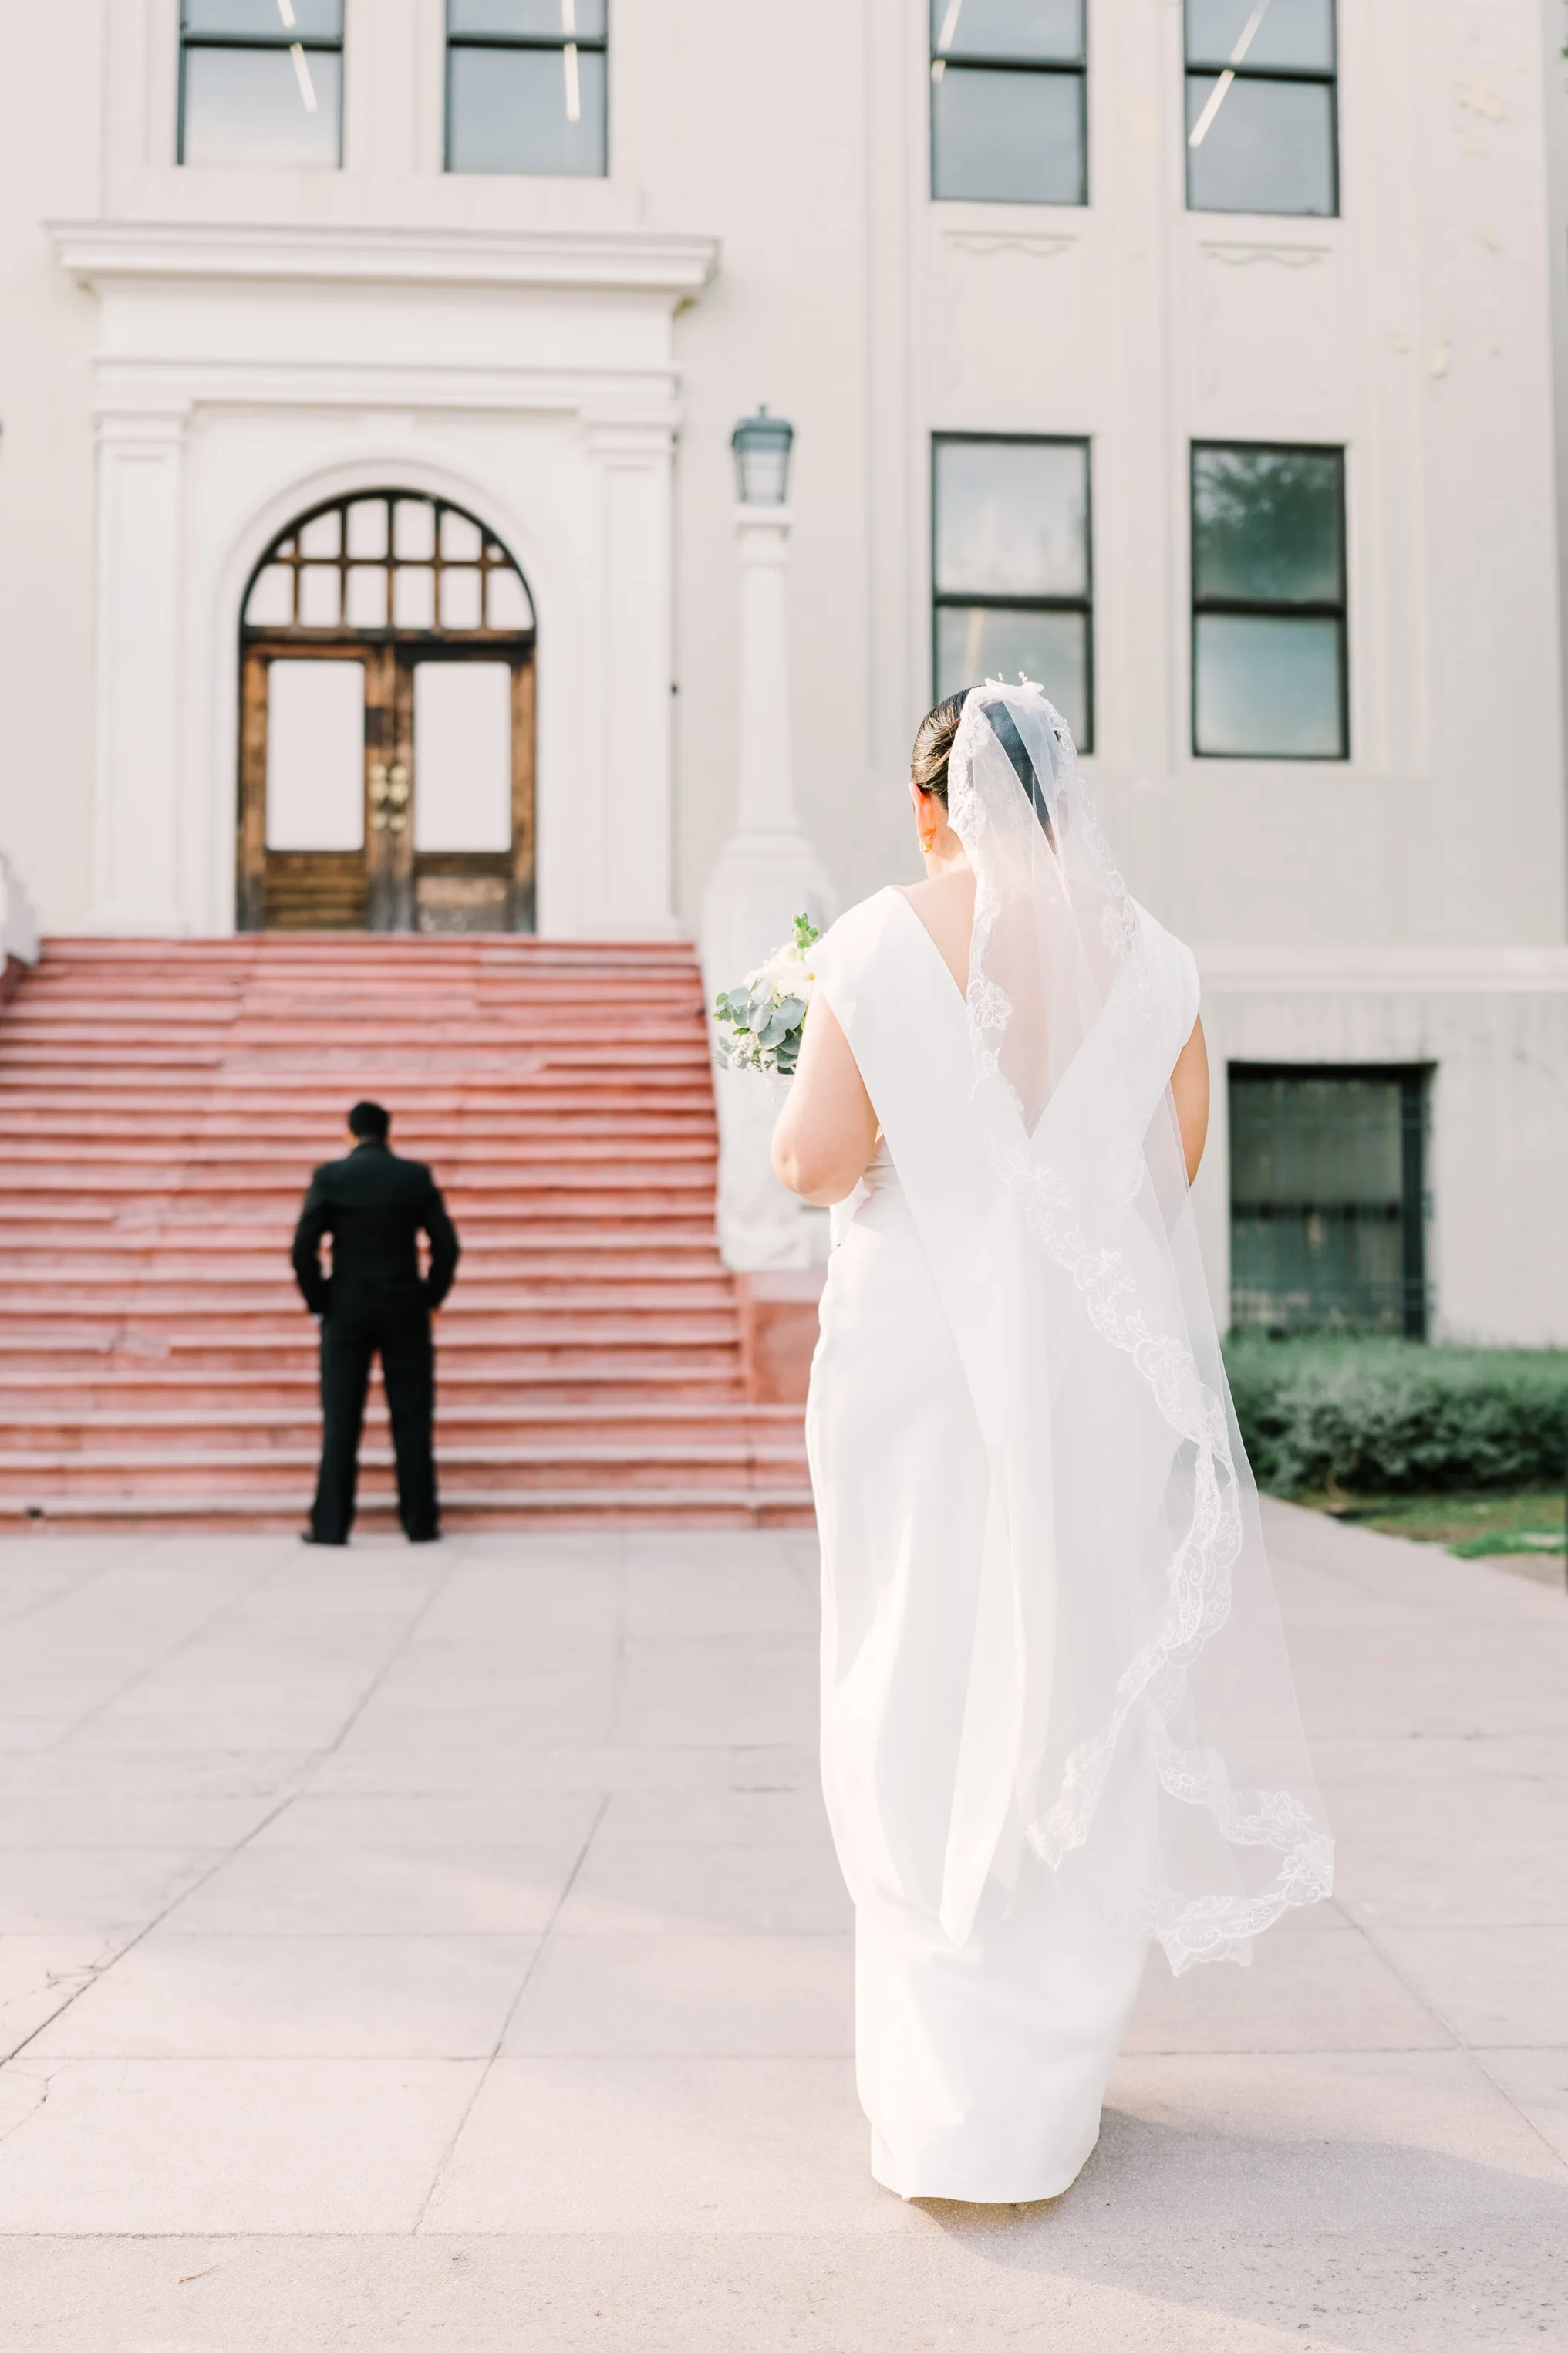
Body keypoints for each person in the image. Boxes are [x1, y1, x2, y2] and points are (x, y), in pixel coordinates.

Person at [772, 679, 1332, 2206]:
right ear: (1065, 799)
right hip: (1085, 1375)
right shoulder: (1154, 962)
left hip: (912, 1367)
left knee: (911, 1662)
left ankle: (943, 2103)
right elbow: (1171, 1171)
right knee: (1074, 1657)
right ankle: (1040, 2092)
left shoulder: (880, 939)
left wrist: (847, 1092)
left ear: (927, 803)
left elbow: (815, 1160)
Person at [290, 1100, 460, 1548]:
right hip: (405, 1305)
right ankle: (420, 1523)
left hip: (346, 1308)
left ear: (349, 1134)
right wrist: (431, 1298)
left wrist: (319, 1301)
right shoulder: (414, 1177)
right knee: (412, 1418)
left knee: (342, 1419)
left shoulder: (330, 1176)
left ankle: (330, 1526)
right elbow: (447, 1245)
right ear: (388, 1133)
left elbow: (302, 1246)